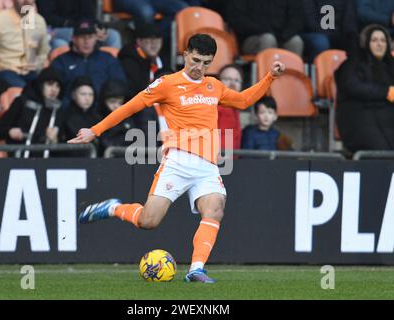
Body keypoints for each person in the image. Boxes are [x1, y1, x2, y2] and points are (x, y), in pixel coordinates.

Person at [68, 34, 285, 283]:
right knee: (148, 221)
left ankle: (196, 269)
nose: (199, 67)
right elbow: (129, 107)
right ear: (184, 54)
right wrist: (94, 131)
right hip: (178, 162)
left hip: (208, 166)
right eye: (195, 60)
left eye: (206, 62)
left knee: (214, 211)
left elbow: (244, 100)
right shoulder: (166, 84)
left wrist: (270, 77)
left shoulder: (213, 86)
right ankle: (113, 207)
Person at [335, 24, 394, 152]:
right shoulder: (352, 64)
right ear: (365, 42)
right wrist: (387, 92)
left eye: (383, 40)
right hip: (359, 116)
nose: (379, 44)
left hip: (391, 117)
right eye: (374, 40)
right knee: (380, 148)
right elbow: (352, 86)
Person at [50, 18, 127, 105]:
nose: (86, 41)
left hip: (102, 112)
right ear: (74, 39)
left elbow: (120, 85)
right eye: (82, 37)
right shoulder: (61, 61)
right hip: (69, 112)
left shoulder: (108, 59)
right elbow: (53, 91)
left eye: (90, 37)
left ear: (95, 38)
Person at [0, 67, 63, 152]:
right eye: (50, 84)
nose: (54, 89)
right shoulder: (22, 102)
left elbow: (62, 149)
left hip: (45, 161)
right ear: (41, 84)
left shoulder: (58, 110)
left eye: (58, 86)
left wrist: (54, 141)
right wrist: (10, 132)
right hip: (19, 159)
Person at [0, 0, 50, 87]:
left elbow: (43, 53)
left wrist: (37, 63)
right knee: (24, 90)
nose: (27, 1)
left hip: (30, 72)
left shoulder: (39, 21)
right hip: (3, 71)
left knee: (44, 88)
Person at [118, 23, 164, 139]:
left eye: (157, 39)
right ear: (139, 41)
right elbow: (133, 94)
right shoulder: (129, 62)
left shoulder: (160, 60)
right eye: (149, 40)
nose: (154, 44)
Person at [225, 0, 304, 56]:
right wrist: (264, 30)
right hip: (251, 38)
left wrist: (284, 35)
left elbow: (297, 19)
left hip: (282, 37)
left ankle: (291, 77)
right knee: (268, 39)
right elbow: (237, 20)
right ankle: (268, 77)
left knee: (296, 41)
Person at [36, 0, 122, 50]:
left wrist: (100, 29)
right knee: (61, 43)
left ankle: (113, 73)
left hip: (84, 26)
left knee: (113, 35)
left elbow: (90, 14)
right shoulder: (27, 8)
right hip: (58, 29)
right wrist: (82, 27)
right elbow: (46, 16)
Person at [58, 75, 102, 156]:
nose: (87, 98)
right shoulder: (64, 116)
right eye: (83, 94)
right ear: (73, 95)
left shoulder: (98, 117)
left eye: (91, 94)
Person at [96, 79, 135, 155]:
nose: (116, 106)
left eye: (120, 102)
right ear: (103, 101)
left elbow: (137, 139)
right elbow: (105, 144)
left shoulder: (127, 117)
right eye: (112, 102)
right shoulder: (97, 119)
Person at [217, 64, 243, 151]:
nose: (233, 83)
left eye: (237, 80)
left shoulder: (235, 108)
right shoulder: (211, 106)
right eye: (228, 79)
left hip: (231, 161)